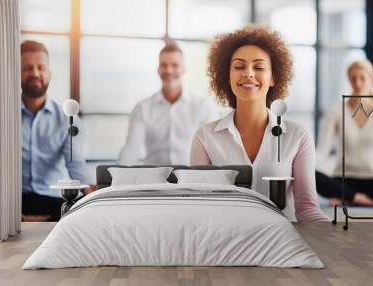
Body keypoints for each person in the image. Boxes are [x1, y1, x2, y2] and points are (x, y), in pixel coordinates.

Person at [190, 25, 329, 223]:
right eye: (239, 66)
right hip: (226, 244)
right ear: (227, 76)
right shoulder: (205, 137)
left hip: (282, 245)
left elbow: (307, 209)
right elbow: (201, 207)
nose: (248, 73)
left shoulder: (297, 136)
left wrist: (336, 240)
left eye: (259, 67)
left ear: (273, 78)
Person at [21, 40, 92, 222]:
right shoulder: (2, 115)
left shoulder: (67, 119)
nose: (35, 73)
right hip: (13, 198)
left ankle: (35, 221)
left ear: (49, 74)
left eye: (40, 67)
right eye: (28, 68)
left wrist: (92, 193)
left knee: (82, 205)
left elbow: (75, 163)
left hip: (52, 199)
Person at [117, 42, 218, 165]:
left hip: (192, 179)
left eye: (174, 65)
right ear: (158, 70)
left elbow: (213, 149)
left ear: (183, 70)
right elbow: (131, 148)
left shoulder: (203, 106)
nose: (169, 70)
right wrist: (115, 179)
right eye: (164, 65)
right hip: (154, 179)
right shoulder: (142, 108)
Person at [316, 59, 373, 206]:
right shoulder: (336, 111)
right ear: (348, 79)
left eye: (362, 78)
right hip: (343, 180)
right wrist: (305, 166)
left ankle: (347, 198)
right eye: (353, 78)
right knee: (312, 176)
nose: (358, 83)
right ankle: (361, 199)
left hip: (371, 179)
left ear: (370, 78)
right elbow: (323, 149)